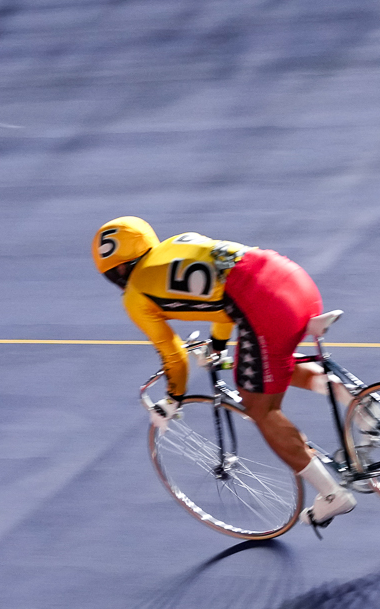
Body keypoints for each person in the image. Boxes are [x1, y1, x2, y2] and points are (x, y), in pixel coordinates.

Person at [91, 218, 355, 529]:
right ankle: (358, 404)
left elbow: (173, 353)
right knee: (269, 358)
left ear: (117, 270)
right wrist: (217, 345)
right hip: (292, 279)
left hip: (264, 305)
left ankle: (332, 494)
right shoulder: (179, 242)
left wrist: (174, 397)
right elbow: (226, 296)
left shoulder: (136, 295)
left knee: (260, 407)